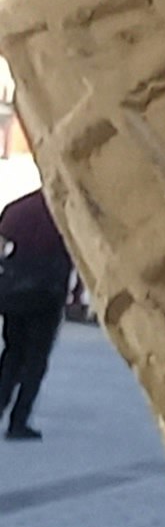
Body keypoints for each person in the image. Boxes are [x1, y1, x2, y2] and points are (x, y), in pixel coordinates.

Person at [0, 179, 71, 439]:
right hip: (47, 294)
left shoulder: (16, 209)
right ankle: (19, 422)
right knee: (35, 361)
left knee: (11, 354)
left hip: (13, 293)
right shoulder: (64, 214)